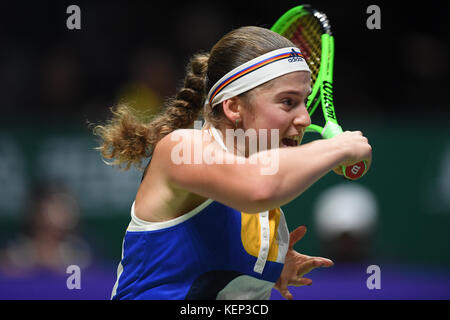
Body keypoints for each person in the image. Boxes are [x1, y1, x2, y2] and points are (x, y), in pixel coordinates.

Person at [94, 26, 372, 300]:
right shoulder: (182, 148)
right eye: (288, 102)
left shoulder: (265, 205)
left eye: (304, 102)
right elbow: (258, 187)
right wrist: (338, 147)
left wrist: (262, 275)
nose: (305, 119)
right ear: (234, 107)